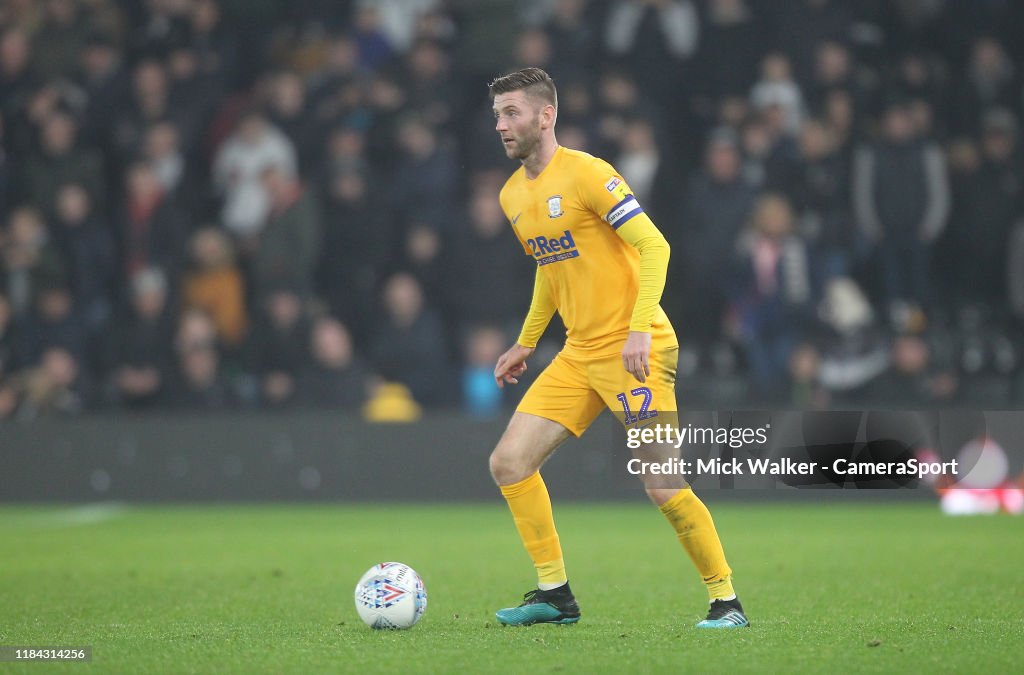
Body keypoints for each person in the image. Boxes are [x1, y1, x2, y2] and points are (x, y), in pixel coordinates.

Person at [487, 67, 747, 629]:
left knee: (662, 483)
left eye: (512, 113)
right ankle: (555, 595)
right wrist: (526, 342)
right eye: (497, 116)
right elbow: (549, 269)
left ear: (545, 115)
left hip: (638, 348)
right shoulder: (512, 195)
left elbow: (655, 246)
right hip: (580, 353)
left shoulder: (589, 174)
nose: (502, 126)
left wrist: (636, 328)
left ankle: (726, 601)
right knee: (509, 463)